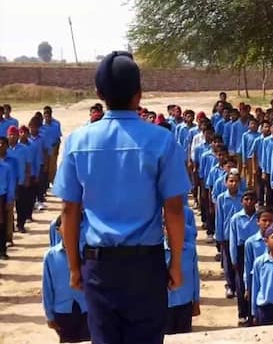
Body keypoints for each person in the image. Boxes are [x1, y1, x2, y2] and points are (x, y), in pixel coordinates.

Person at [53, 51, 190, 344]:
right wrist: (176, 263)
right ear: (139, 94)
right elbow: (174, 209)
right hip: (146, 266)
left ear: (99, 94)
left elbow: (69, 209)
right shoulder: (162, 140)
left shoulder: (78, 141)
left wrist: (75, 268)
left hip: (100, 268)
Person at [43, 218, 91, 343]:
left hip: (86, 309)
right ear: (58, 230)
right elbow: (47, 288)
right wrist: (49, 315)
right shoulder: (51, 256)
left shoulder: (86, 253)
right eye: (67, 227)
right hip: (63, 311)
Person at [164, 205, 200, 335]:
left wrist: (196, 300)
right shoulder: (156, 252)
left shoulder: (189, 250)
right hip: (164, 304)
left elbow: (195, 276)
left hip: (184, 302)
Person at [228, 191, 259, 326]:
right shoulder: (236, 218)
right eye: (246, 199)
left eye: (252, 199)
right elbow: (233, 240)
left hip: (255, 248)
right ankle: (243, 313)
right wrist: (234, 258)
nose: (249, 202)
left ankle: (254, 312)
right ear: (242, 202)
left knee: (255, 281)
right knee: (241, 283)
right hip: (241, 250)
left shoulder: (259, 217)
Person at [215, 171, 243, 299]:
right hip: (226, 235)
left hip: (240, 235)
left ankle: (240, 286)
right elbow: (219, 218)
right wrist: (219, 237)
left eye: (236, 181)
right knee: (227, 261)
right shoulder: (221, 198)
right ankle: (230, 286)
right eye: (230, 181)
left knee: (239, 262)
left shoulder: (243, 198)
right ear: (226, 183)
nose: (233, 184)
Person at [243, 206, 273, 310]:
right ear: (257, 222)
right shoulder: (251, 242)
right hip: (256, 280)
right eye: (264, 220)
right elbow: (247, 267)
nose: (267, 224)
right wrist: (247, 287)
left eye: (270, 221)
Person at [0, 137, 15, 259]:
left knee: (2, 225)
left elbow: (10, 185)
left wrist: (9, 200)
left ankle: (2, 250)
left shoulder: (6, 167)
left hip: (2, 198)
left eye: (2, 144)